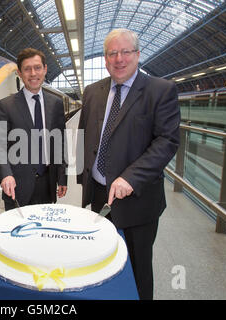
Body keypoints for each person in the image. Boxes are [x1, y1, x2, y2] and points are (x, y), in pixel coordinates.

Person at [77, 29, 180, 300]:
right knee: (100, 262)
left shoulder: (160, 90)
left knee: (137, 268)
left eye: (125, 52)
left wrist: (131, 178)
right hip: (100, 195)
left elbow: (167, 141)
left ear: (137, 55)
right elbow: (84, 135)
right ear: (105, 58)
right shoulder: (92, 91)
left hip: (138, 199)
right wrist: (81, 179)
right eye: (112, 53)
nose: (119, 59)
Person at [0, 48, 67, 211]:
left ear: (45, 69)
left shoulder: (56, 103)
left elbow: (60, 142)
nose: (33, 73)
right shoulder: (6, 105)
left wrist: (62, 177)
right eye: (27, 69)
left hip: (48, 184)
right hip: (17, 186)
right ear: (19, 72)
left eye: (37, 67)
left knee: (44, 232)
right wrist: (6, 175)